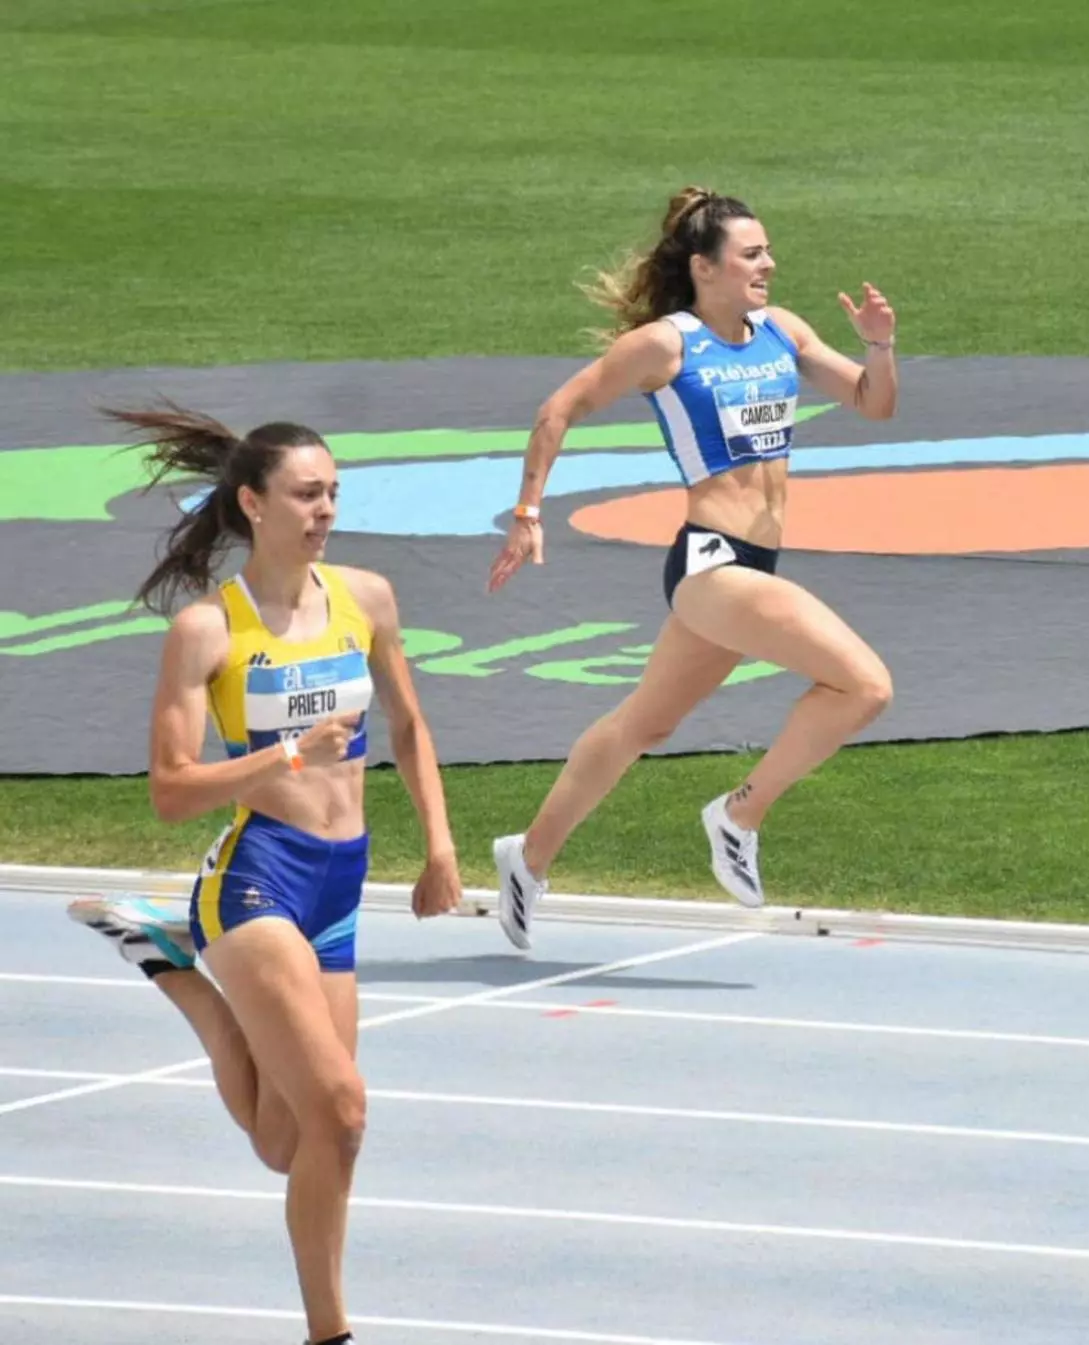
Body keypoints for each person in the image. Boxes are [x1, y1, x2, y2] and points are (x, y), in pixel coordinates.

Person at [67, 405, 462, 1345]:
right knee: (347, 1112)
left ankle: (173, 972)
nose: (326, 508)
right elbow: (171, 791)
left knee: (294, 1143)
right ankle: (330, 1333)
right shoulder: (209, 630)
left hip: (342, 883)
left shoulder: (368, 596)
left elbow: (406, 726)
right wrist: (284, 757)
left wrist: (439, 843)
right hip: (257, 881)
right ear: (252, 503)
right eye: (306, 493)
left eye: (333, 491)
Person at [487, 187, 898, 950]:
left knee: (644, 723)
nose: (769, 263)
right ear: (704, 267)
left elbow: (875, 404)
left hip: (754, 563)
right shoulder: (666, 345)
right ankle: (739, 813)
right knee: (865, 684)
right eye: (752, 254)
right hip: (710, 564)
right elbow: (559, 409)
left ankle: (528, 854)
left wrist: (878, 345)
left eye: (768, 250)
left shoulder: (782, 331)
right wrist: (528, 511)